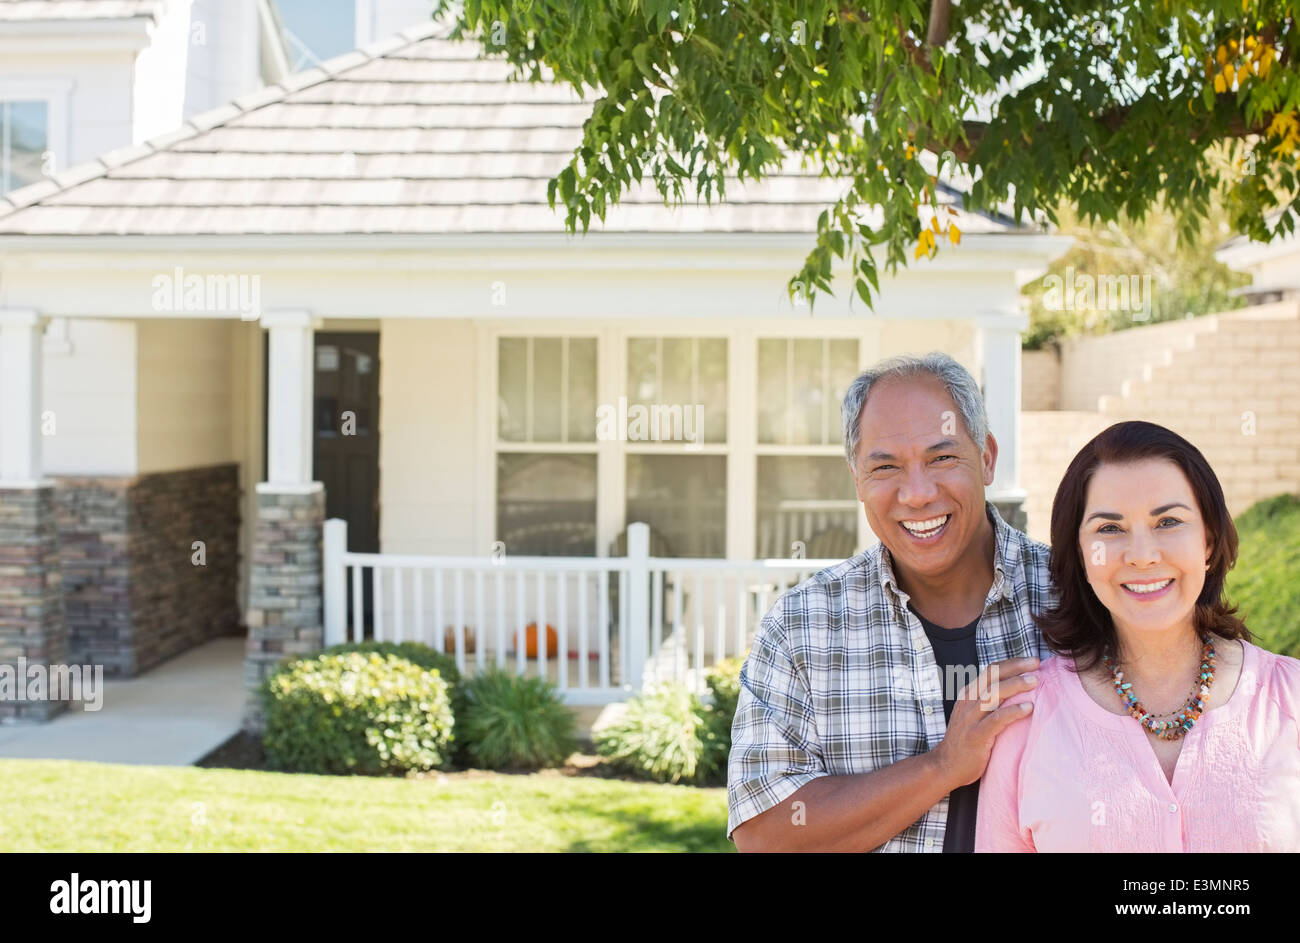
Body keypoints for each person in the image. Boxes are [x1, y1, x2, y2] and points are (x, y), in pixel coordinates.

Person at [728, 351, 1054, 852]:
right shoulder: (802, 627)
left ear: (987, 457)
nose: (918, 494)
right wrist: (942, 767)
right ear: (857, 478)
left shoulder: (1073, 599)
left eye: (942, 458)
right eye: (885, 467)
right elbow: (766, 833)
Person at [975, 421, 1300, 852]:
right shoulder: (1026, 721)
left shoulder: (1289, 699)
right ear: (1079, 554)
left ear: (1208, 539)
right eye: (1110, 529)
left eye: (1168, 521)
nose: (1142, 556)